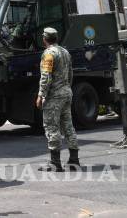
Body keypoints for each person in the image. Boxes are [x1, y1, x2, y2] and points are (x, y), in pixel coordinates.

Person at [35, 27, 80, 171]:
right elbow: (70, 73)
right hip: (66, 92)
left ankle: (55, 163)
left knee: (52, 127)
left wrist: (41, 95)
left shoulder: (49, 53)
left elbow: (46, 76)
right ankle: (74, 160)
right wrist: (67, 87)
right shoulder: (65, 52)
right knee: (68, 126)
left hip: (54, 96)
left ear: (44, 39)